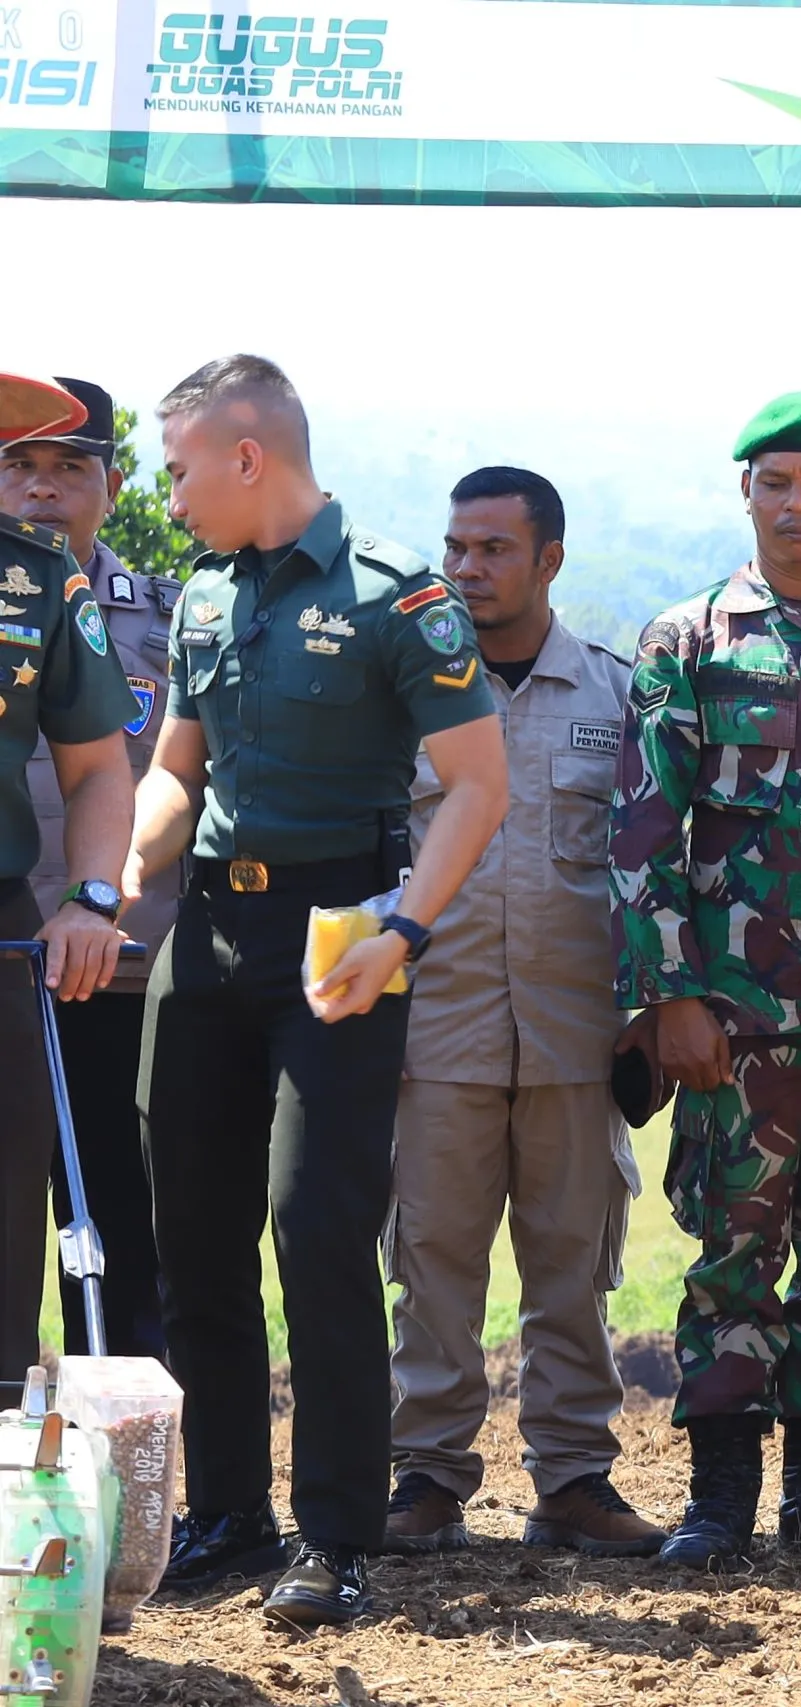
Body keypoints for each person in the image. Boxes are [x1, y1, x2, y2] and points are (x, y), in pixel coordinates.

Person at [129, 355, 509, 1626]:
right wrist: (117, 866)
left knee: (318, 1227)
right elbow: (178, 772)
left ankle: (336, 1535)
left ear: (249, 456)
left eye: (179, 467)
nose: (166, 492)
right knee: (195, 1234)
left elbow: (478, 785)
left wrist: (405, 929)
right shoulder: (199, 600)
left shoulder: (401, 599)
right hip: (208, 936)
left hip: (341, 929)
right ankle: (229, 1513)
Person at [611, 393, 801, 1573]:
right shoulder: (689, 639)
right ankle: (719, 1501)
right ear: (747, 494)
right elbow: (644, 830)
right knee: (733, 1248)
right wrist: (668, 996)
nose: (799, 505)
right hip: (735, 1014)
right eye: (776, 482)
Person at [381, 467, 660, 1559]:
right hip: (434, 1030)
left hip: (572, 1032)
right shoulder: (405, 693)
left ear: (549, 559)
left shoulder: (614, 695)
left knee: (570, 1268)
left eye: (495, 549)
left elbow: (646, 866)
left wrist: (644, 1015)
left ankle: (575, 1480)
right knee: (433, 1264)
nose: (468, 569)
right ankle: (429, 1479)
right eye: (456, 548)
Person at [5, 376, 179, 1361]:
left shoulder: (170, 623)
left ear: (109, 487)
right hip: (1, 953)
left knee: (113, 1228)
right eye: (18, 465)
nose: (42, 489)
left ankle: (119, 1474)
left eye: (69, 468)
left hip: (111, 977)